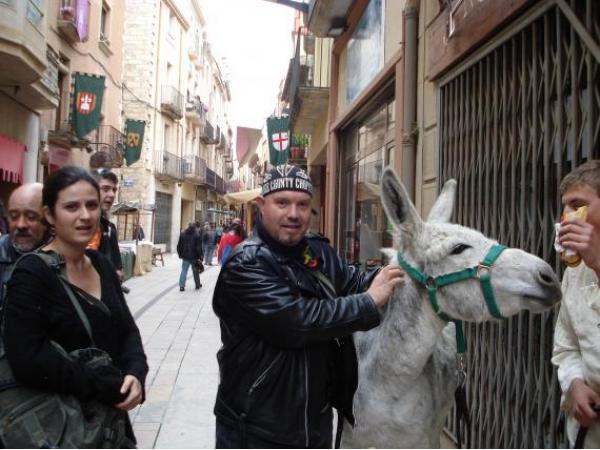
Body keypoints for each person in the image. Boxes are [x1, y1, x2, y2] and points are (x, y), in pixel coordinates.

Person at [212, 164, 405, 448]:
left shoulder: (316, 251)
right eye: (282, 203)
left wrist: (399, 271)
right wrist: (368, 302)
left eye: (302, 204)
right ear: (261, 206)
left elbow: (353, 280)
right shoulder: (246, 263)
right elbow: (298, 322)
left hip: (315, 422)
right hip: (257, 429)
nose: (293, 213)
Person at [3, 166, 148, 444]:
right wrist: (108, 386)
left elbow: (127, 330)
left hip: (109, 425)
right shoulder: (31, 274)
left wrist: (135, 373)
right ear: (49, 214)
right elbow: (30, 359)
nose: (85, 216)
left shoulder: (101, 264)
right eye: (71, 206)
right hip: (60, 428)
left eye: (91, 205)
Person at [552, 160, 600, 448]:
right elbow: (566, 346)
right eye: (565, 207)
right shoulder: (574, 272)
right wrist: (574, 384)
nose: (567, 216)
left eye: (578, 205)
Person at [0, 183, 47, 289]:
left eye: (31, 217)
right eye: (14, 216)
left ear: (48, 218)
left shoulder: (65, 259)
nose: (21, 225)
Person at [88, 168, 123, 281]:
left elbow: (118, 266)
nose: (112, 194)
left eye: (114, 190)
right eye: (106, 189)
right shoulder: (78, 226)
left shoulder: (109, 228)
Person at [177, 222, 203, 291]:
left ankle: (181, 286)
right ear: (195, 227)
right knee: (195, 271)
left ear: (188, 226)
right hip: (194, 257)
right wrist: (200, 256)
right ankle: (197, 285)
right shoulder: (197, 235)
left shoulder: (183, 234)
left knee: (184, 270)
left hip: (185, 256)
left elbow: (179, 245)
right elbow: (199, 247)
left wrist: (180, 254)